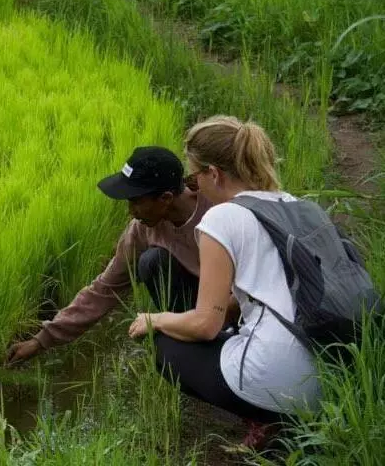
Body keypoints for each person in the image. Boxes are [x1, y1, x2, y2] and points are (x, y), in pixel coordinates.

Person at [127, 116, 322, 449]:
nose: (192, 187)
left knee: (162, 346)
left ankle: (266, 417)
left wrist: (153, 319)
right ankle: (292, 417)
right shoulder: (298, 206)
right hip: (326, 373)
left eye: (193, 177)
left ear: (213, 174)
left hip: (281, 378)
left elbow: (205, 324)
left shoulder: (222, 217)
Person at [6, 146, 214, 364]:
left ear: (165, 198)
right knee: (152, 262)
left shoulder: (218, 209)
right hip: (197, 306)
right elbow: (105, 289)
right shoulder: (142, 230)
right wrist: (41, 340)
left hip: (234, 302)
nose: (130, 211)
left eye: (135, 201)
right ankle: (191, 341)